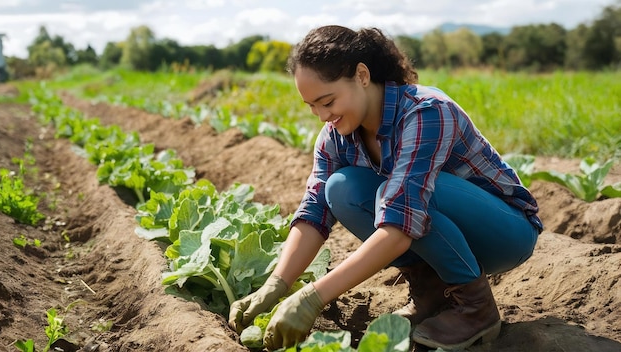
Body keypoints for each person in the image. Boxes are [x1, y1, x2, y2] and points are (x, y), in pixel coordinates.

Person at [228, 24, 543, 351]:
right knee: (339, 189)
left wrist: (312, 298)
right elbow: (314, 210)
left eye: (328, 101)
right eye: (312, 107)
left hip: (506, 233)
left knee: (401, 197)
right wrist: (276, 286)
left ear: (362, 76)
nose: (322, 115)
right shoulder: (335, 138)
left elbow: (401, 222)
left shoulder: (426, 112)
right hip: (445, 230)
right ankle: (431, 294)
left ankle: (476, 309)